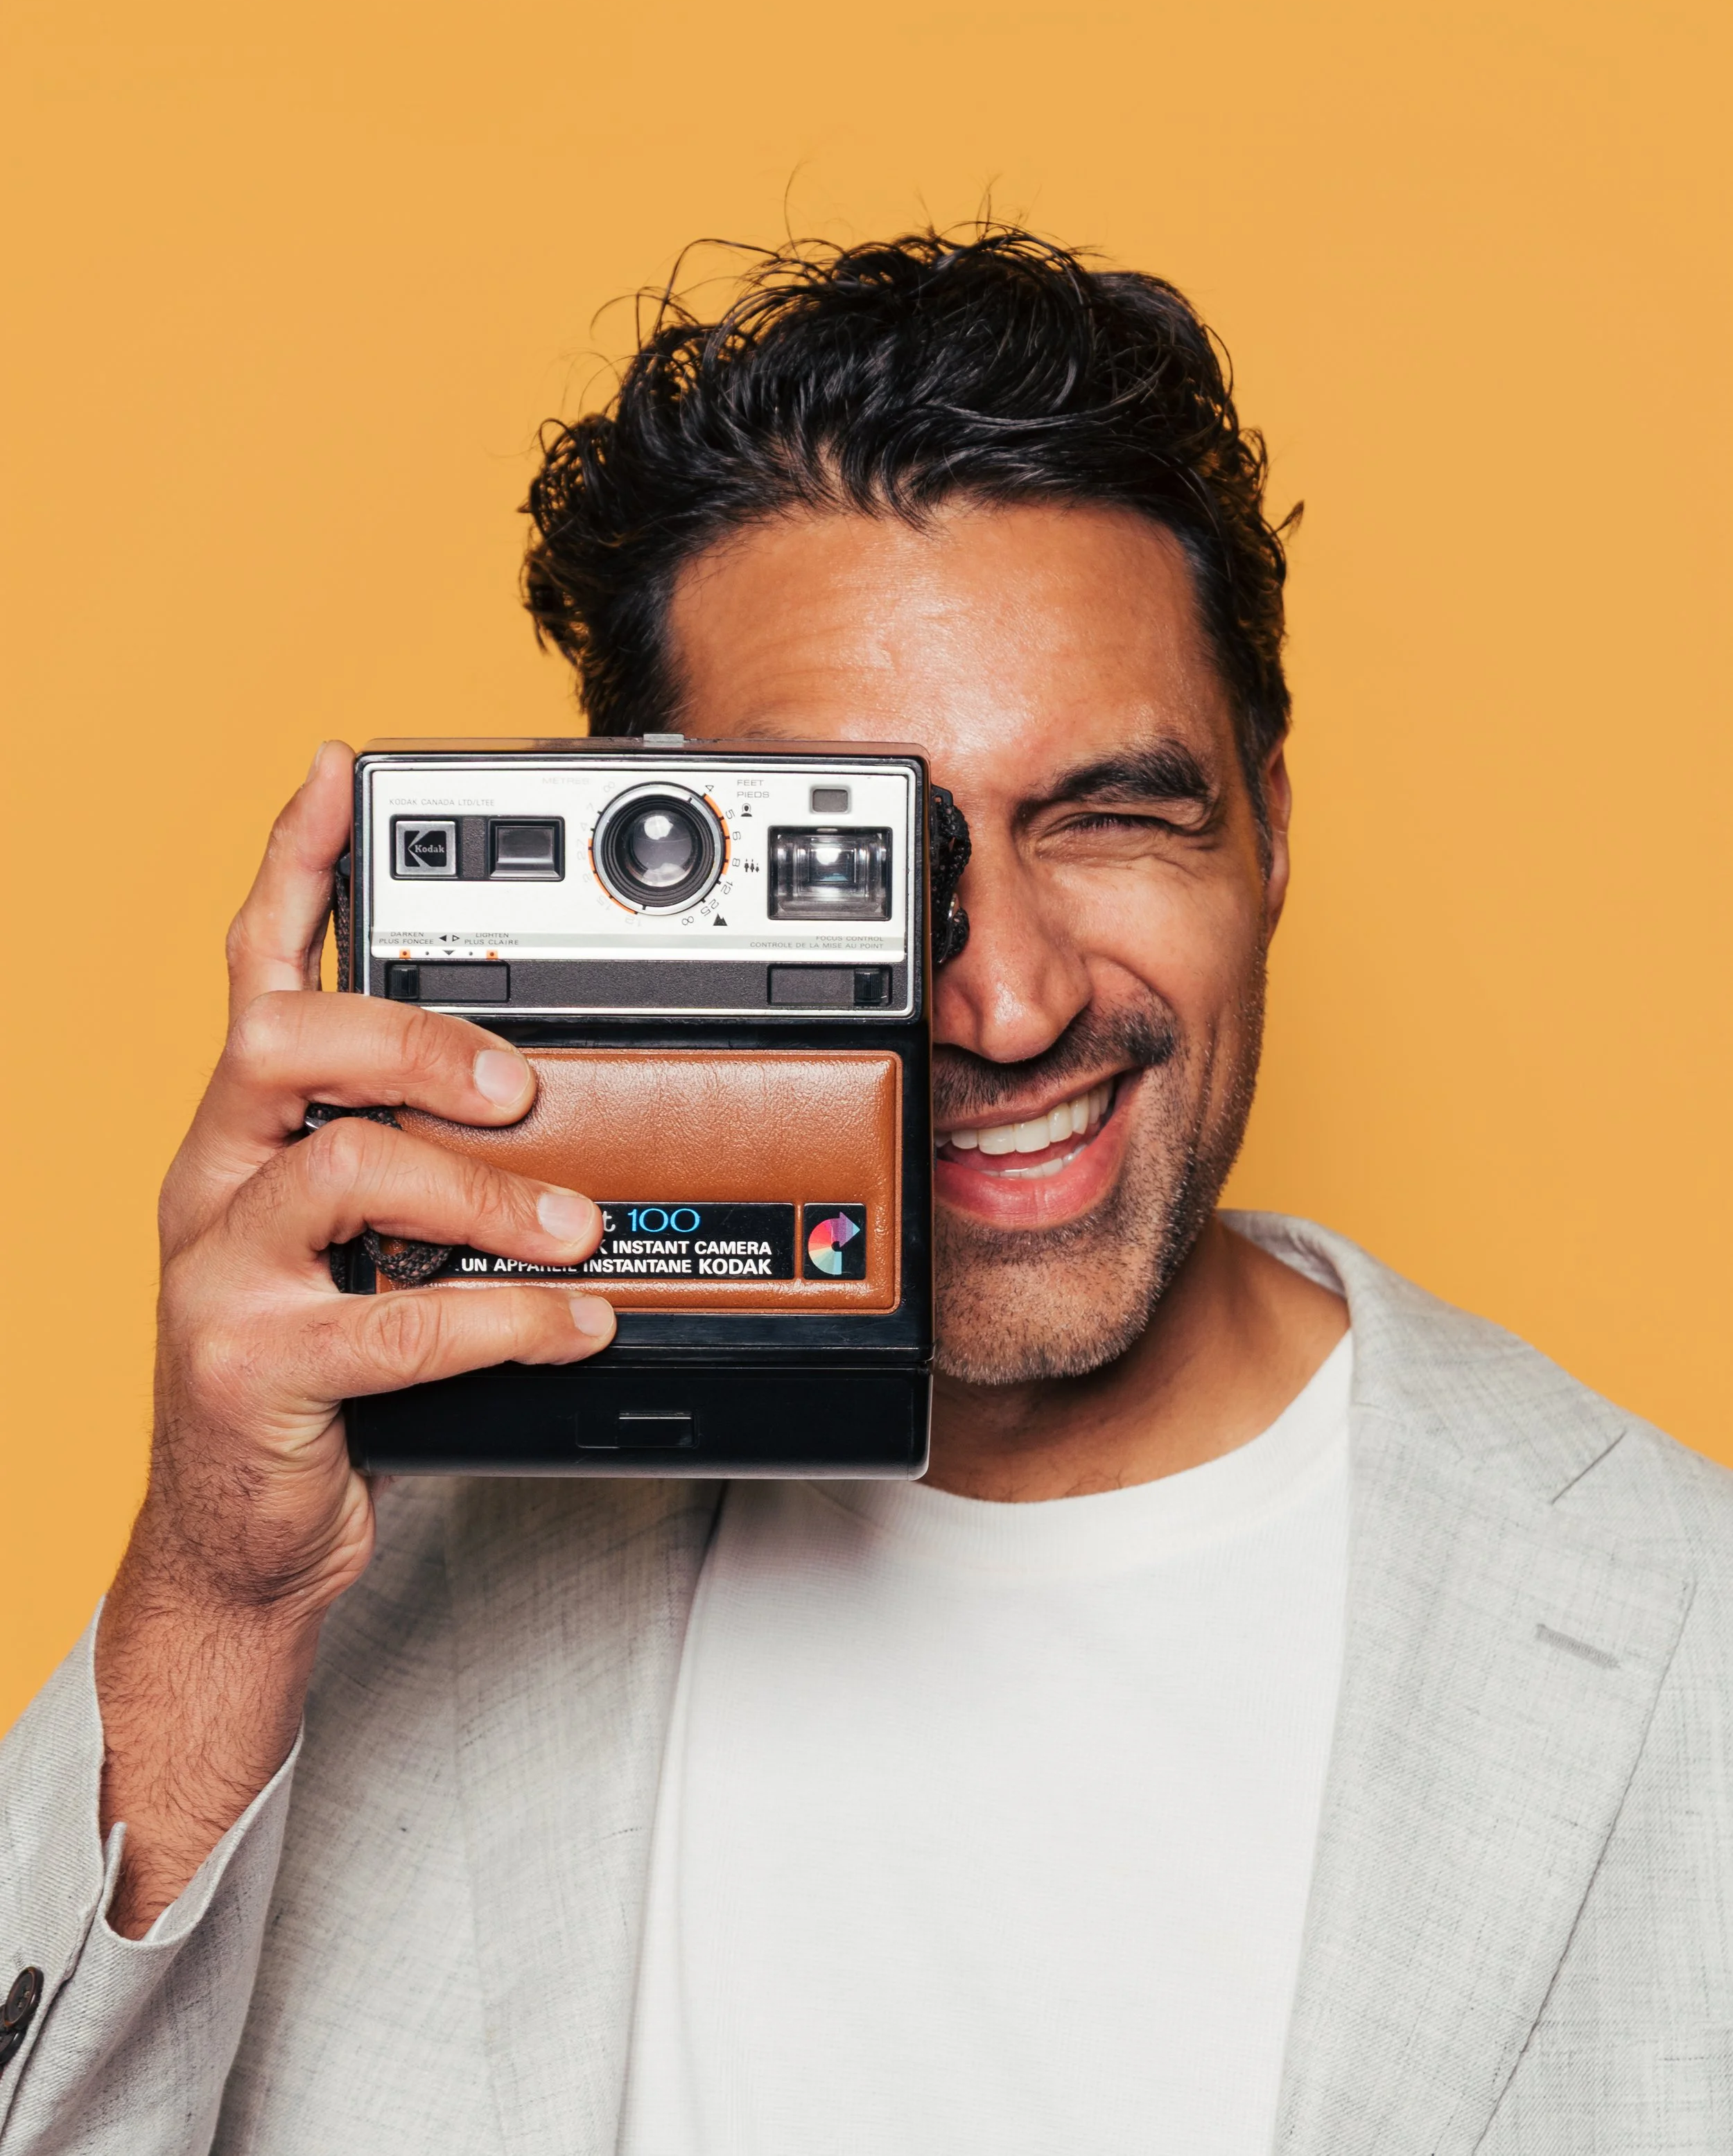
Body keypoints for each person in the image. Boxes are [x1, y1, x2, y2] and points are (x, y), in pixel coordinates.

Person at [1, 228, 1728, 2156]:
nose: (1006, 994)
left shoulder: (1680, 1637)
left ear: (1268, 833)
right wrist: (212, 1599)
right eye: (850, 864)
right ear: (622, 885)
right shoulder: (364, 1589)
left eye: (1111, 816)